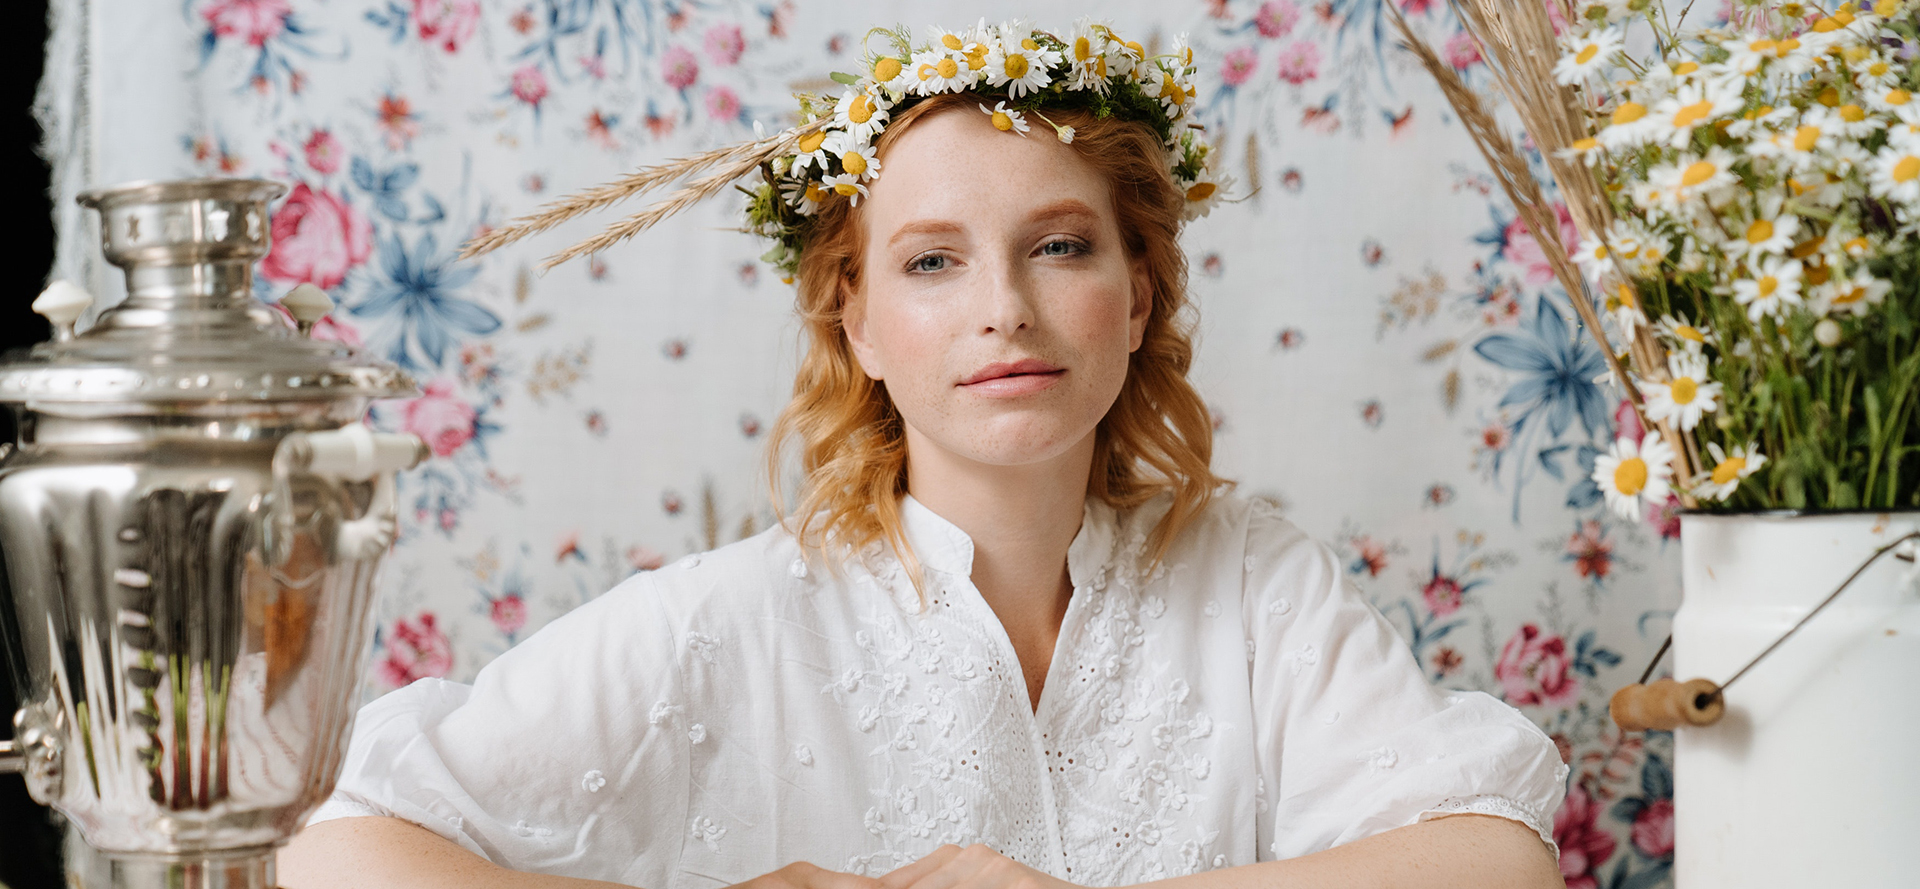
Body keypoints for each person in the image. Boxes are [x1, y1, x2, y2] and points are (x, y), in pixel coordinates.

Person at [279, 20, 1568, 889]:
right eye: (933, 262)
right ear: (860, 325)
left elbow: (1496, 855)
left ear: (1140, 294)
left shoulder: (1250, 581)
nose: (1002, 307)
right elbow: (339, 852)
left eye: (1061, 245)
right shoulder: (726, 620)